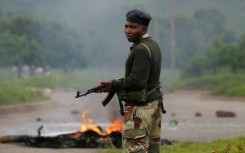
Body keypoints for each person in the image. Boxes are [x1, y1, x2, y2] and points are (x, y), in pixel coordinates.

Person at [97, 9, 164, 153]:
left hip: (140, 110)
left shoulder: (140, 49)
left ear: (144, 29)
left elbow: (137, 82)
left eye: (133, 27)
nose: (128, 30)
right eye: (126, 26)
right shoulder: (153, 44)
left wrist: (112, 85)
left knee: (134, 150)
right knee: (152, 149)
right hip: (153, 105)